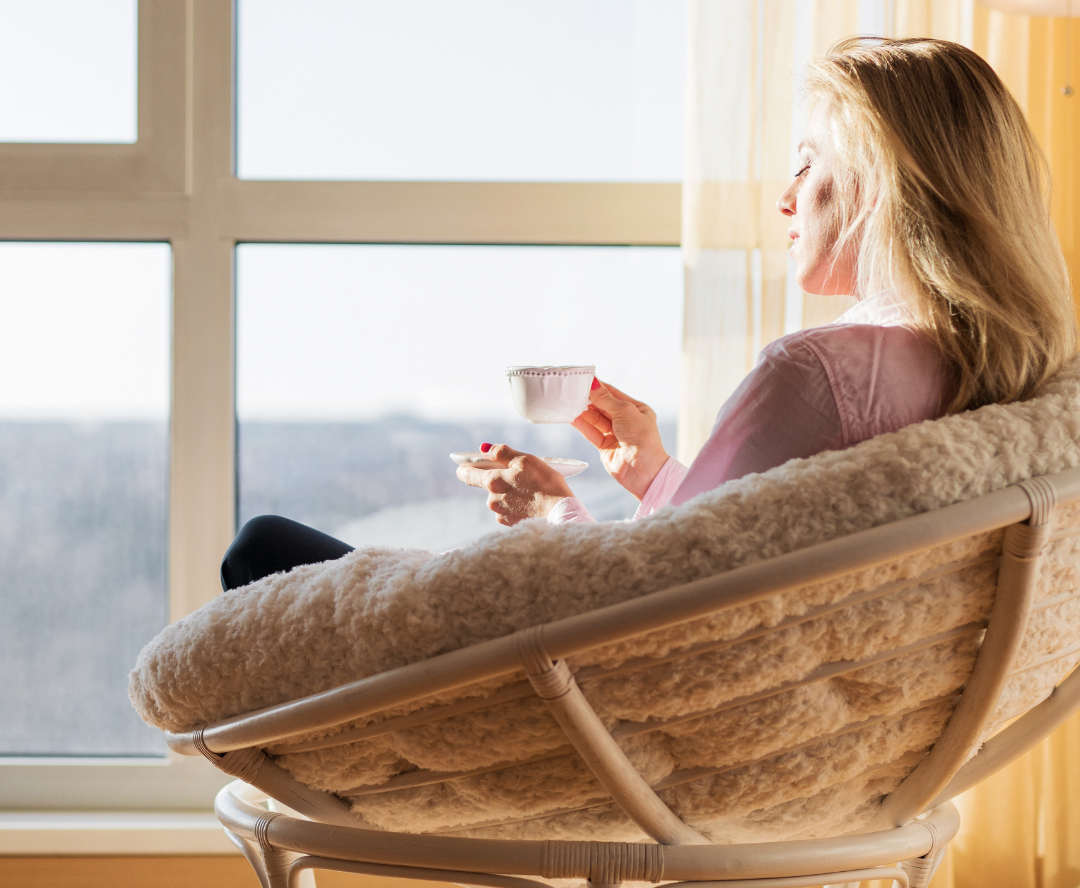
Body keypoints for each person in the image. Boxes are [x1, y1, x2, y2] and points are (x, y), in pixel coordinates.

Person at [221, 38, 1076, 591]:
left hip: (593, 716)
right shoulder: (992, 372)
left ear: (882, 181)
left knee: (262, 549)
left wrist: (548, 511)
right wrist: (656, 476)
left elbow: (642, 604)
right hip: (766, 716)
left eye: (808, 163)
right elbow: (719, 556)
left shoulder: (819, 373)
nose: (784, 198)